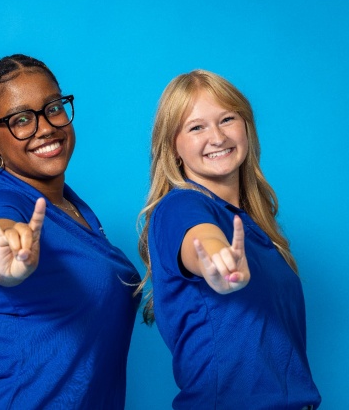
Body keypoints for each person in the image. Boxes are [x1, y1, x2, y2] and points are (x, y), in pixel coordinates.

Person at [0, 54, 141, 409]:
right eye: (21, 120)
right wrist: (8, 257)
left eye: (53, 109)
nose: (45, 127)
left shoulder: (76, 211)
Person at [137, 70, 321, 409]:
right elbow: (200, 238)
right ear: (173, 147)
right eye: (196, 127)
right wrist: (217, 259)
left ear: (246, 127)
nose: (217, 136)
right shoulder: (179, 205)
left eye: (227, 119)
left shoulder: (254, 229)